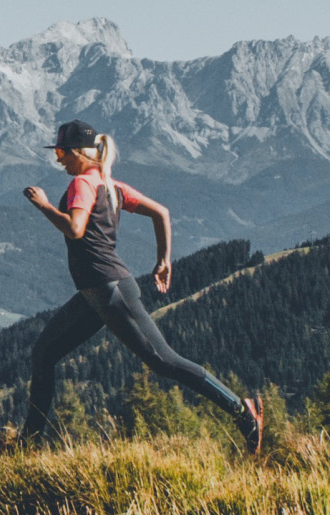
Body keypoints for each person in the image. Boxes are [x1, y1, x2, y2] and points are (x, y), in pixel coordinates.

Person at [21, 120, 263, 453]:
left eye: (62, 152)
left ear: (79, 153)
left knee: (165, 361)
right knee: (43, 353)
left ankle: (241, 410)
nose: (58, 159)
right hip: (96, 294)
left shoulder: (83, 184)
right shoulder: (112, 186)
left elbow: (75, 229)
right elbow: (160, 213)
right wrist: (164, 260)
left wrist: (44, 205)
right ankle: (26, 444)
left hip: (110, 290)